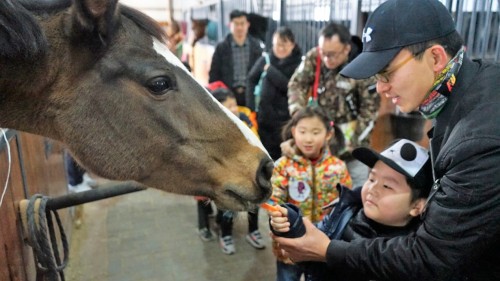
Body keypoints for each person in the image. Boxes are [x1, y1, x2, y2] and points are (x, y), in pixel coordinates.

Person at [271, 0, 500, 280]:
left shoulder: (481, 140)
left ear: (436, 58)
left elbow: (431, 257)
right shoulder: (466, 88)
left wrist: (327, 250)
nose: (380, 87)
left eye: (387, 73)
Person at [270, 139, 433, 281]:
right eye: (371, 178)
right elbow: (311, 254)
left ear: (417, 206)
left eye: (387, 186)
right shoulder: (344, 212)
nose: (373, 188)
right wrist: (291, 224)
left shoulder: (414, 253)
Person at [285, 22, 380, 188]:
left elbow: (369, 113)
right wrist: (299, 115)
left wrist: (349, 147)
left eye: (332, 54)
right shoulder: (315, 57)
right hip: (320, 146)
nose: (327, 59)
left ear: (346, 49)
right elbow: (296, 85)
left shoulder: (362, 67)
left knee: (354, 195)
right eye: (324, 53)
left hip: (353, 150)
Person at [269, 106, 352, 281]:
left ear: (328, 134)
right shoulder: (282, 166)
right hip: (290, 243)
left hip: (323, 245)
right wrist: (279, 228)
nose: (308, 139)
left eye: (315, 132)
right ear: (293, 131)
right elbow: (274, 202)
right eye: (303, 131)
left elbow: (345, 206)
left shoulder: (338, 167)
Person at [208, 86, 264, 254]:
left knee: (255, 204)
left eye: (234, 104)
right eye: (227, 106)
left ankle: (253, 231)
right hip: (229, 178)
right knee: (228, 208)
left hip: (251, 174)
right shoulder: (214, 129)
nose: (233, 109)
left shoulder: (247, 119)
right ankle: (225, 235)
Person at [246, 26, 302, 161]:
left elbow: (290, 87)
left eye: (284, 45)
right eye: (277, 45)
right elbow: (250, 80)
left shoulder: (299, 65)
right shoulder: (266, 59)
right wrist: (251, 107)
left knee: (283, 157)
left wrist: (270, 71)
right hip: (264, 120)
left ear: (292, 45)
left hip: (285, 121)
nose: (280, 49)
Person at [208, 10, 263, 107]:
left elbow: (260, 73)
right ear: (230, 25)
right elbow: (214, 74)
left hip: (250, 95)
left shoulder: (256, 47)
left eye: (242, 23)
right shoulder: (222, 48)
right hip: (227, 96)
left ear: (248, 25)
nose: (239, 27)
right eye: (236, 24)